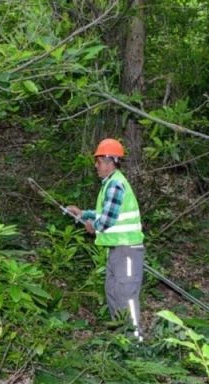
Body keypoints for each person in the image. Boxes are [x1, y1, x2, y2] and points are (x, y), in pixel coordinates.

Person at [66, 138, 146, 340]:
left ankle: (135, 344)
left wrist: (94, 227)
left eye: (99, 161)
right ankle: (120, 339)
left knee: (126, 296)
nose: (96, 165)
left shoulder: (115, 184)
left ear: (110, 161)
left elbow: (106, 220)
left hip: (127, 251)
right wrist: (84, 214)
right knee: (113, 293)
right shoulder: (110, 184)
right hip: (118, 250)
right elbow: (106, 213)